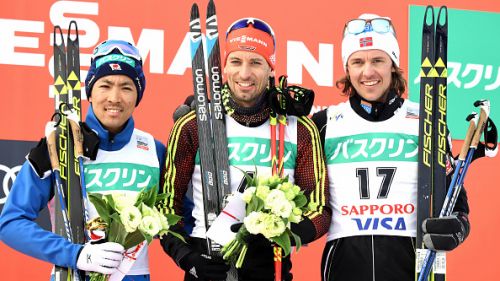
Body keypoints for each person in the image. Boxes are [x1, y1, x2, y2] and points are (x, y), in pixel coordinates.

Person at [159, 17, 331, 281]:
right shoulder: (193, 125)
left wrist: (281, 232)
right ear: (223, 67)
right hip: (207, 261)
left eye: (256, 63)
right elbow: (167, 207)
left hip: (270, 264)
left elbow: (319, 209)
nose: (245, 74)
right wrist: (188, 258)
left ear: (271, 68)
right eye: (236, 62)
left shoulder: (299, 129)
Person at [312, 14, 471, 281]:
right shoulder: (323, 123)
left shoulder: (428, 119)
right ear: (347, 69)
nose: (368, 72)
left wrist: (459, 225)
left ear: (393, 64)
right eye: (358, 62)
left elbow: (453, 194)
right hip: (345, 262)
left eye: (378, 60)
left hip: (410, 259)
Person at [0, 40, 165, 281]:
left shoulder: (154, 149)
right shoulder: (59, 146)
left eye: (127, 87)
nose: (114, 98)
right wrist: (76, 254)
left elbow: (177, 220)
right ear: (90, 90)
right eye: (105, 85)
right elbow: (11, 223)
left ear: (138, 94)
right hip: (73, 274)